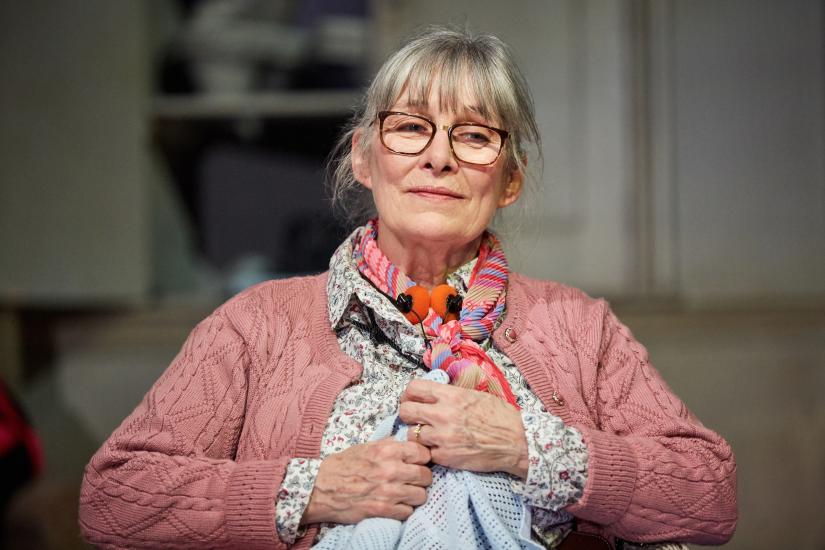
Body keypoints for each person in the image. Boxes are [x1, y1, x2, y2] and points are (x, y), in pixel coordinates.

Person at [78, 26, 737, 550]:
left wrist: (527, 448)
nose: (439, 156)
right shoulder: (257, 324)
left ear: (508, 180)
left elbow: (707, 493)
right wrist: (311, 488)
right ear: (364, 157)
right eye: (410, 126)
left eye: (474, 136)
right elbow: (117, 497)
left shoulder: (578, 325)